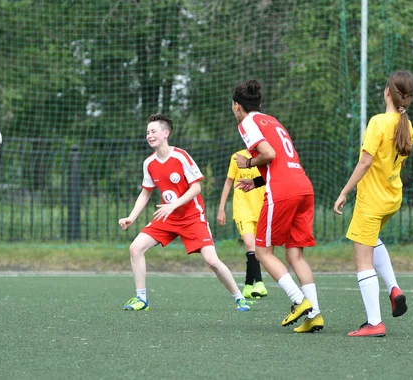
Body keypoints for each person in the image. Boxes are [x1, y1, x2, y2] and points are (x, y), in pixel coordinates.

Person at [118, 113, 251, 312]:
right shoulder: (149, 163)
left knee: (212, 262)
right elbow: (146, 192)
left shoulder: (181, 156)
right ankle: (141, 299)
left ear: (166, 133)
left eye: (153, 131)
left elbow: (196, 188)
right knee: (135, 248)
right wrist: (131, 217)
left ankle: (239, 297)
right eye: (147, 132)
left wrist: (173, 205)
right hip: (168, 217)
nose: (149, 135)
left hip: (192, 217)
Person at [231, 79, 323, 332]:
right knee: (294, 255)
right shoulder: (273, 121)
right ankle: (315, 315)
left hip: (283, 191)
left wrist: (247, 164)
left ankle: (298, 301)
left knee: (262, 252)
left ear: (237, 106)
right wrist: (258, 181)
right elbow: (282, 162)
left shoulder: (247, 122)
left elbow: (269, 154)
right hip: (303, 187)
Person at [333, 70, 413, 337]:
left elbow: (365, 162)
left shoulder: (378, 122)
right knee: (372, 241)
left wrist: (345, 191)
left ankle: (374, 323)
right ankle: (394, 288)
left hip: (372, 201)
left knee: (362, 260)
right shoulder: (407, 126)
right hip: (392, 199)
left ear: (388, 92)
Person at [217, 149, 268, 300]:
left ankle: (247, 285)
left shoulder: (265, 156)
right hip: (242, 209)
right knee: (249, 243)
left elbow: (269, 179)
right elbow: (228, 182)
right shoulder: (237, 157)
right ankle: (259, 283)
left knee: (257, 249)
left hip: (261, 208)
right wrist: (221, 208)